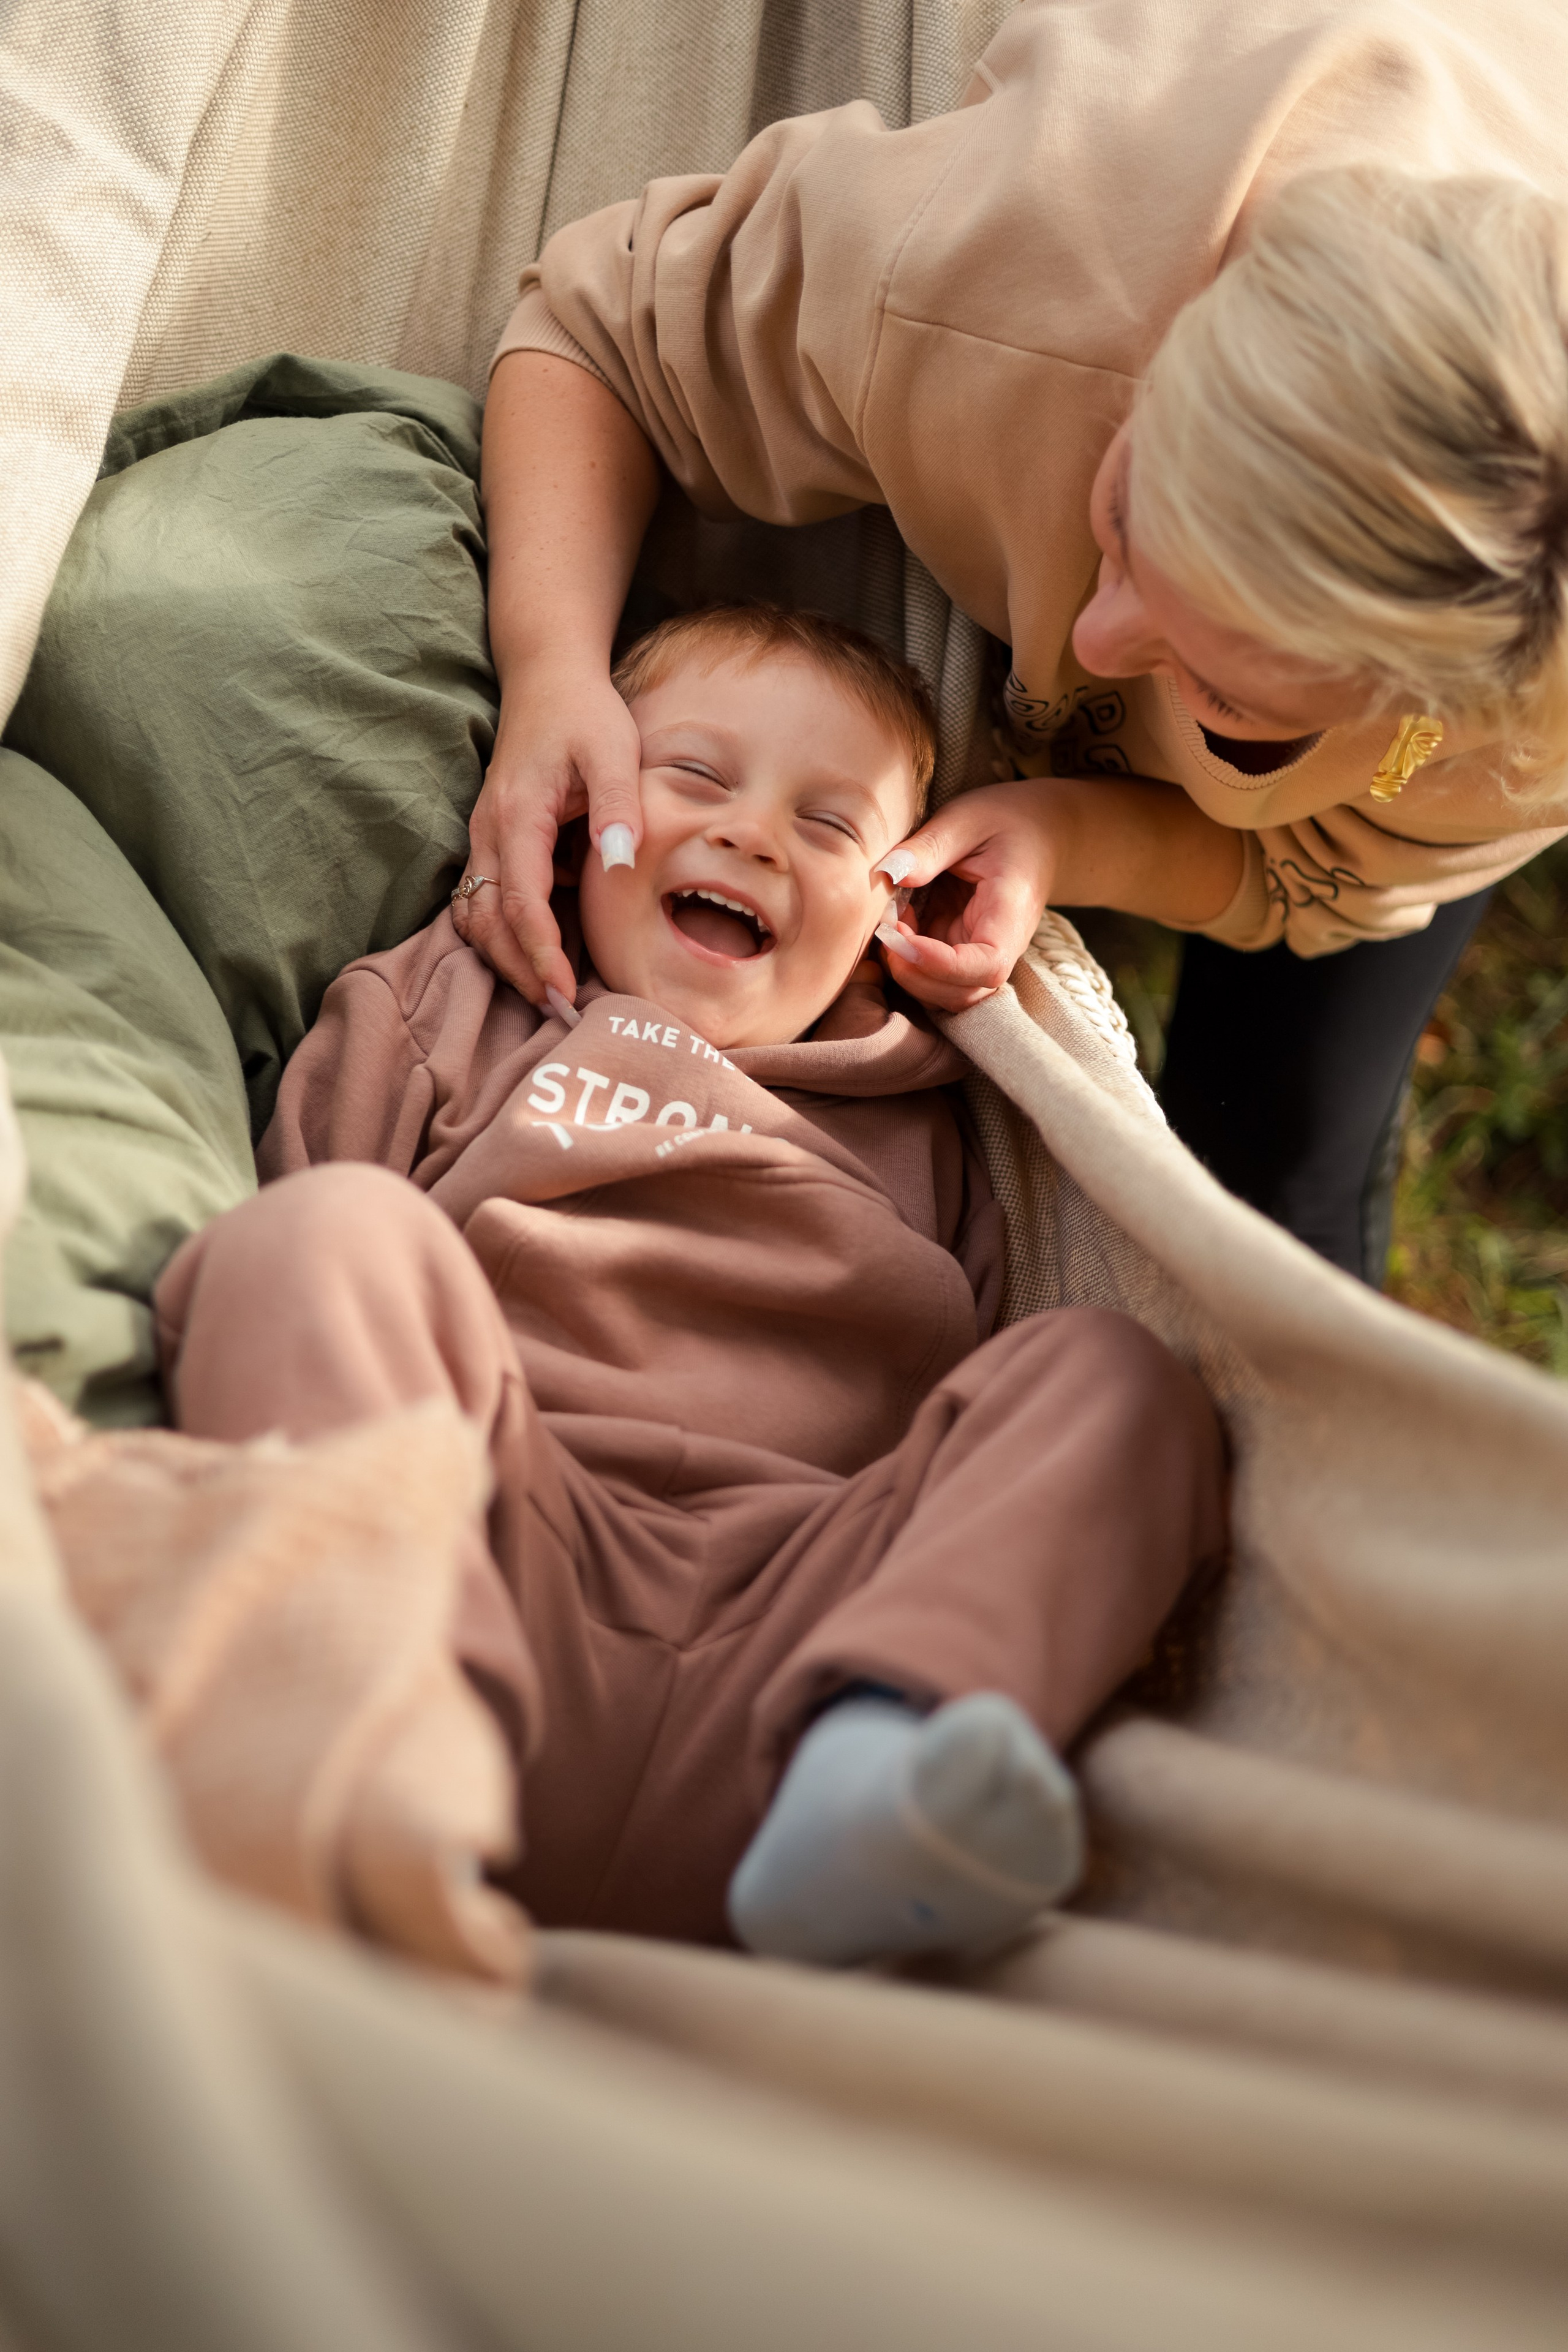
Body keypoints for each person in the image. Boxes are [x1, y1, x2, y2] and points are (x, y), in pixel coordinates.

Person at [153, 605, 1225, 1964]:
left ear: (894, 906)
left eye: (832, 830)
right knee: (318, 1237)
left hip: (785, 1658)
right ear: (570, 802)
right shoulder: (455, 999)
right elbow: (304, 1214)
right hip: (480, 1544)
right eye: (697, 779)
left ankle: (883, 1780)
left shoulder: (936, 1105)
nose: (753, 835)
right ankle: (379, 1727)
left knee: (1113, 1379)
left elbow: (963, 1410)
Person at [460, 0, 1568, 1283]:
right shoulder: (991, 277)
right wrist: (550, 668)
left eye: (1220, 686)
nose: (1087, 642)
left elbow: (1316, 870)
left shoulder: (1517, 733)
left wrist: (1067, 832)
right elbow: (597, 331)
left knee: (1276, 1171)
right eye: (1117, 520)